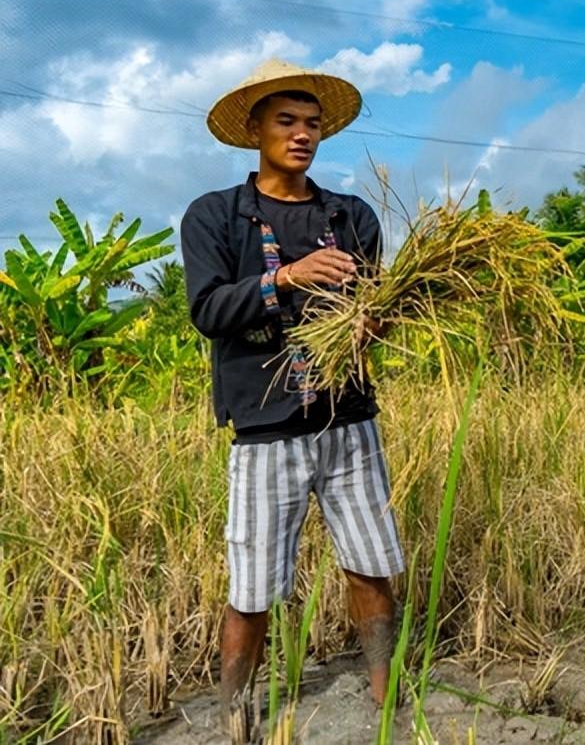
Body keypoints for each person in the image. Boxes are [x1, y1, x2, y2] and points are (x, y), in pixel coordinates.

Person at [181, 58, 404, 732]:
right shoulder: (217, 216)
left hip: (347, 420)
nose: (301, 134)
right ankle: (235, 715)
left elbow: (378, 304)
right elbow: (209, 310)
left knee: (371, 566)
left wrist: (375, 323)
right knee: (251, 590)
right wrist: (289, 279)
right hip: (264, 429)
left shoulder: (350, 215)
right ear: (255, 129)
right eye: (286, 121)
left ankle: (383, 694)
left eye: (311, 124)